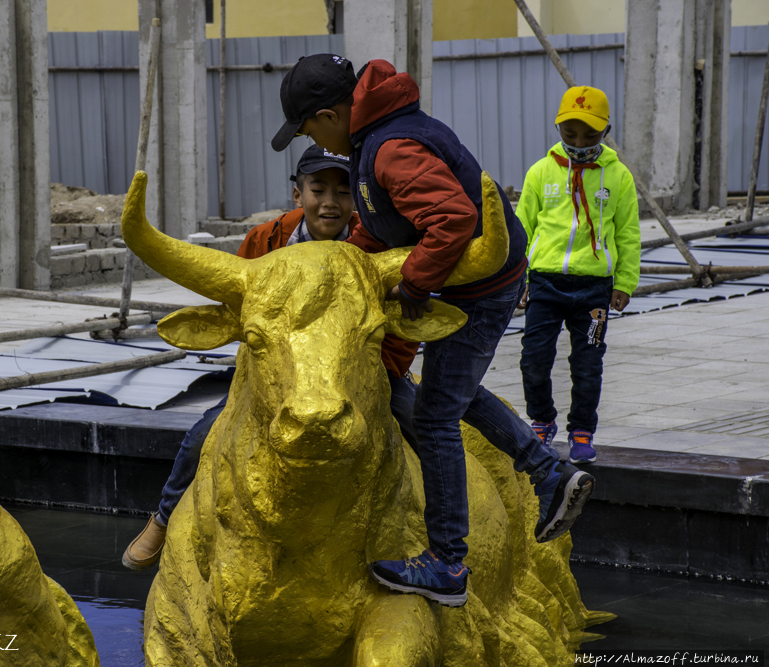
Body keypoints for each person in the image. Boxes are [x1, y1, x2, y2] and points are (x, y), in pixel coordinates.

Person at [270, 54, 595, 607]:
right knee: (453, 393)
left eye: (310, 130)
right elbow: (384, 226)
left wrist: (414, 287)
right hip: (476, 281)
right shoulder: (378, 141)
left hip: (481, 285)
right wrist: (340, 272)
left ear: (329, 116)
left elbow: (450, 220)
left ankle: (447, 563)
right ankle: (549, 474)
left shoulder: (390, 148)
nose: (316, 142)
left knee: (435, 414)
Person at [122, 145, 421, 571]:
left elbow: (399, 316)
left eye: (342, 191)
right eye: (318, 189)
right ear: (298, 195)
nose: (330, 202)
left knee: (422, 426)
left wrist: (381, 368)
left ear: (357, 198)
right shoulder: (265, 241)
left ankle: (441, 533)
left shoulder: (374, 246)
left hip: (360, 375)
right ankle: (165, 516)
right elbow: (240, 314)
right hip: (277, 378)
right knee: (204, 433)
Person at [516, 86, 641, 465]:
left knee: (587, 365)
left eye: (589, 135)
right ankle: (542, 420)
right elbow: (522, 227)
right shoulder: (540, 172)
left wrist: (624, 282)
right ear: (558, 128)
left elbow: (628, 233)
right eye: (570, 134)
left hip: (593, 290)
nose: (579, 142)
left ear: (606, 131)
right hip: (544, 283)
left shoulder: (617, 177)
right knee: (533, 359)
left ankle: (582, 429)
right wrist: (517, 278)